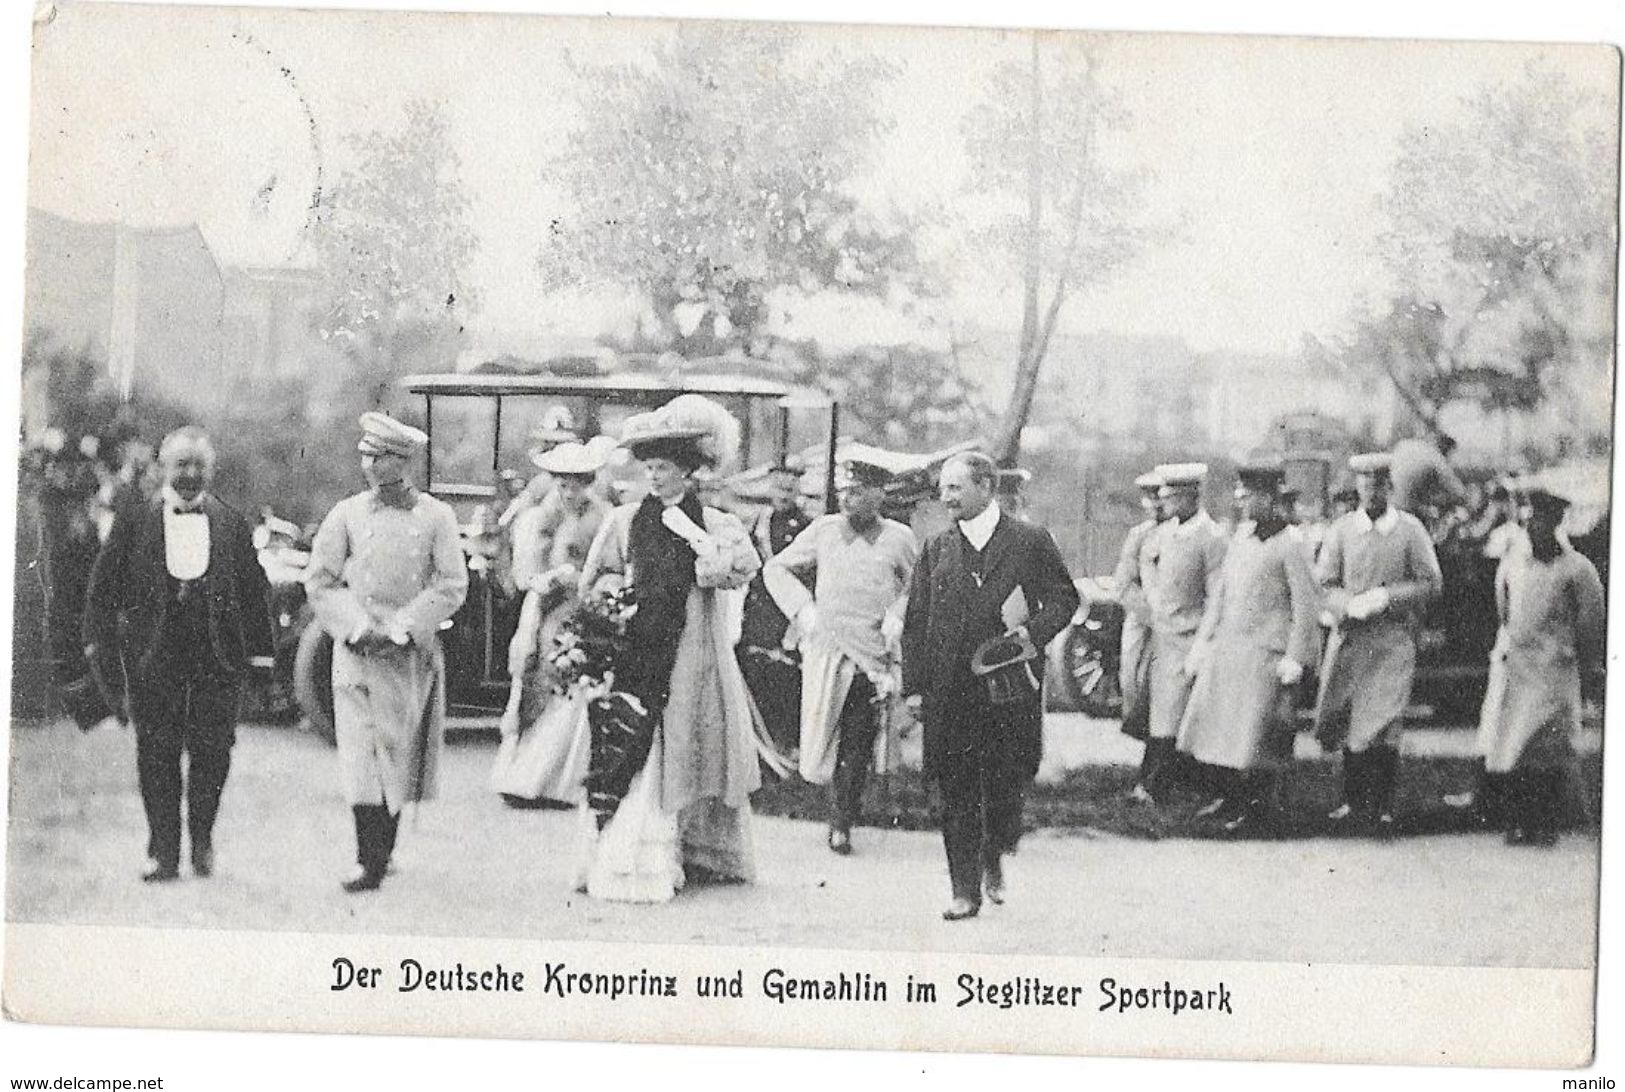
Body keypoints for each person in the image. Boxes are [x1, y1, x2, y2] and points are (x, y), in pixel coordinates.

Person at [574, 394, 762, 903]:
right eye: (649, 468)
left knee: (687, 741)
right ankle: (632, 854)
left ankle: (698, 847)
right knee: (636, 737)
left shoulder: (716, 523)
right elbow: (598, 576)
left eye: (664, 469)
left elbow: (745, 569)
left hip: (694, 649)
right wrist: (613, 604)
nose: (655, 478)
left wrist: (705, 557)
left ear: (688, 472)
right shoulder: (625, 520)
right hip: (637, 647)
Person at [82, 426, 275, 882]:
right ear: (164, 469)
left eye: (197, 464)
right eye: (180, 464)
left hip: (216, 662)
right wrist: (107, 657)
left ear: (209, 470)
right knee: (156, 755)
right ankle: (163, 852)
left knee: (213, 756)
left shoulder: (230, 523)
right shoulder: (135, 521)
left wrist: (261, 659)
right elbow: (102, 592)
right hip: (155, 661)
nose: (189, 472)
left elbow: (253, 595)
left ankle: (202, 842)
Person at [901, 452, 1078, 921]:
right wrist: (914, 688)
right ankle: (964, 890)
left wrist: (1031, 636)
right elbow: (915, 623)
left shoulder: (1029, 541)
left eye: (954, 488)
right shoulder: (936, 548)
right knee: (954, 788)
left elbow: (1064, 599)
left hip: (1009, 688)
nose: (945, 497)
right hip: (948, 692)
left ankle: (994, 852)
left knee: (1006, 781)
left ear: (986, 487)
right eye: (942, 489)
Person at [305, 412, 469, 893]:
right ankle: (366, 859)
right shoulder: (348, 514)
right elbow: (320, 579)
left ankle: (384, 851)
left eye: (381, 457)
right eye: (367, 456)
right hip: (356, 652)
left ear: (403, 461)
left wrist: (404, 626)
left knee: (395, 751)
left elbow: (452, 583)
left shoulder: (436, 517)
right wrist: (355, 626)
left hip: (405, 657)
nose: (371, 465)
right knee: (359, 753)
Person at [763, 458, 918, 855]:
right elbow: (776, 569)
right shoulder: (824, 530)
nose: (850, 498)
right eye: (845, 490)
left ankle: (841, 821)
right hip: (828, 649)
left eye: (860, 491)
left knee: (859, 737)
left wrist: (899, 614)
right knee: (822, 733)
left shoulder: (899, 538)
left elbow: (916, 586)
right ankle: (833, 808)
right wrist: (802, 609)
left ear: (879, 495)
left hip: (871, 653)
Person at [1175, 463, 1321, 835]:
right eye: (1240, 495)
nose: (1242, 502)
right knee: (1224, 731)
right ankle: (1229, 798)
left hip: (1267, 654)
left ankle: (1256, 809)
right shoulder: (1240, 538)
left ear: (1270, 498)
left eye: (1250, 496)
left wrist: (1296, 657)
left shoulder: (1291, 544)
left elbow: (1306, 606)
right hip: (1230, 649)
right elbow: (1220, 598)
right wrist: (1204, 643)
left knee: (1255, 738)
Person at [1313, 452, 1443, 834]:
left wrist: (1387, 597)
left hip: (1392, 642)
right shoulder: (1341, 531)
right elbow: (1324, 583)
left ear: (1390, 487)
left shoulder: (1409, 530)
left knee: (1384, 723)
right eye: (1365, 486)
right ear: (1357, 488)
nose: (1372, 493)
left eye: (1379, 485)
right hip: (1353, 641)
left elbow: (1431, 583)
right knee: (1354, 722)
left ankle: (1382, 806)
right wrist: (1346, 604)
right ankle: (1354, 803)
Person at [1471, 488, 1604, 846]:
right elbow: (1504, 609)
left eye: (1543, 520)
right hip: (1519, 666)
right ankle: (1519, 821)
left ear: (1558, 521)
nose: (1535, 527)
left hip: (1554, 670)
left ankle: (1546, 822)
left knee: (1546, 748)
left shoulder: (1577, 570)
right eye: (1529, 520)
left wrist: (1587, 668)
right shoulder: (1513, 563)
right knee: (1514, 744)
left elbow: (1591, 624)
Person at [491, 441, 613, 807]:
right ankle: (526, 775)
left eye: (576, 483)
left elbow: (609, 567)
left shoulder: (603, 516)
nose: (569, 491)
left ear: (588, 482)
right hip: (546, 608)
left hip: (583, 609)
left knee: (572, 680)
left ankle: (562, 781)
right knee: (534, 676)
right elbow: (528, 563)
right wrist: (541, 579)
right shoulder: (544, 514)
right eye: (562, 483)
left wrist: (575, 577)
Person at [1131, 462, 1227, 804]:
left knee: (1181, 715)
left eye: (1172, 497)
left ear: (1191, 497)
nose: (1164, 502)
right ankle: (1157, 784)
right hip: (1164, 637)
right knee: (1161, 714)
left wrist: (1205, 641)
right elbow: (1148, 569)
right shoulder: (1165, 533)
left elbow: (1218, 594)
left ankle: (1166, 786)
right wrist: (1154, 602)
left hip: (1192, 637)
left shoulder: (1212, 537)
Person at [738, 456, 815, 753]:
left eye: (789, 489)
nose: (783, 495)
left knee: (787, 679)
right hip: (759, 611)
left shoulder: (807, 526)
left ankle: (787, 748)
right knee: (756, 672)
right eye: (779, 488)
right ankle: (760, 746)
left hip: (788, 613)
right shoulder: (759, 522)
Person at [1113, 470, 1165, 742]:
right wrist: (1149, 613)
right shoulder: (1139, 535)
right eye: (1149, 499)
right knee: (1131, 674)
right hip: (1144, 616)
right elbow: (1123, 583)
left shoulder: (1184, 533)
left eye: (1160, 498)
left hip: (1178, 619)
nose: (1155, 505)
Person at [1391, 433, 1468, 516]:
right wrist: (1465, 498)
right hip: (1407, 504)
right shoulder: (1435, 457)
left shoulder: (1410, 444)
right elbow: (1455, 488)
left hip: (1394, 500)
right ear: (1445, 448)